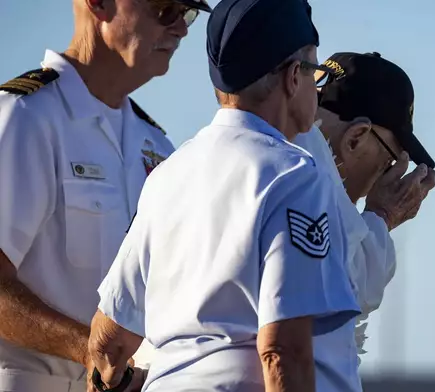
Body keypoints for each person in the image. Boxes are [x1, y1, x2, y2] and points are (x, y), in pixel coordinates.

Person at [86, 0, 363, 391]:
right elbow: (283, 351)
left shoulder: (167, 176)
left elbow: (108, 345)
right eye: (314, 70)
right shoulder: (294, 176)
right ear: (292, 78)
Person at [0, 1, 211, 391]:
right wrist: (92, 351)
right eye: (166, 9)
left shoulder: (157, 146)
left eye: (188, 13)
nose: (181, 28)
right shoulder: (23, 118)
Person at [293, 51, 435, 361]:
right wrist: (382, 216)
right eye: (389, 161)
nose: (385, 176)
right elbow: (342, 292)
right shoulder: (305, 188)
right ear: (356, 138)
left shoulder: (273, 159)